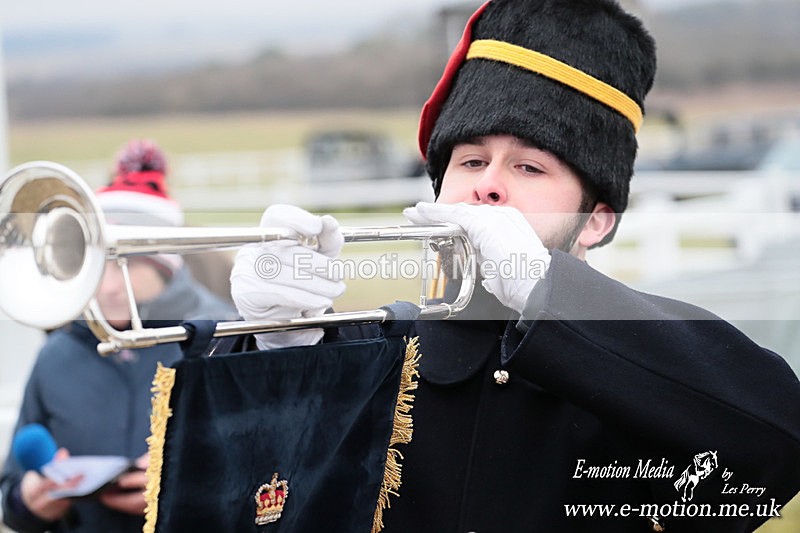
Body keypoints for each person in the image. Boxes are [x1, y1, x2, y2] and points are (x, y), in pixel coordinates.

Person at [226, 1, 800, 531]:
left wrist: (542, 287)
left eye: (530, 168)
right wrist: (274, 349)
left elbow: (774, 444)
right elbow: (242, 498)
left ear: (597, 219)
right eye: (471, 160)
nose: (488, 186)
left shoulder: (655, 367)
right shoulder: (372, 350)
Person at [0, 139, 237, 532]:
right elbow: (10, 499)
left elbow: (270, 478)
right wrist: (31, 500)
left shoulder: (225, 341)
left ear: (165, 267)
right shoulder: (56, 354)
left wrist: (187, 486)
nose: (109, 285)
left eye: (128, 265)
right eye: (100, 266)